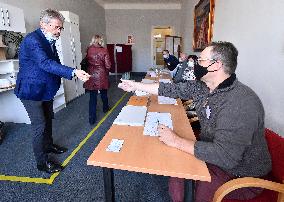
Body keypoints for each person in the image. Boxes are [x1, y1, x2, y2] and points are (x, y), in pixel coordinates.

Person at [118, 41, 272, 202]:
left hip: (240, 175)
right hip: (214, 155)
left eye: (201, 60)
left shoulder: (240, 102)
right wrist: (135, 85)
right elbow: (170, 89)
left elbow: (226, 157)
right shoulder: (204, 86)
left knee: (187, 192)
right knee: (177, 177)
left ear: (216, 65)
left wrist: (176, 141)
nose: (195, 65)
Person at [14, 9, 90, 174]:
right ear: (43, 24)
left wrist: (70, 72)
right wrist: (73, 72)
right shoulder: (32, 40)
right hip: (31, 91)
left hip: (45, 89)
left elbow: (54, 63)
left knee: (48, 119)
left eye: (60, 28)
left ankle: (48, 145)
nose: (59, 32)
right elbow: (45, 63)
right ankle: (42, 163)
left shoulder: (50, 40)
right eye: (57, 27)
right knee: (39, 125)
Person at [83, 35, 111, 125]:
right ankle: (105, 108)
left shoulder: (88, 49)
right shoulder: (104, 50)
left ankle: (92, 119)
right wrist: (105, 72)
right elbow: (108, 65)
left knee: (92, 97)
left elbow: (86, 61)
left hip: (91, 74)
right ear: (101, 41)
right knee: (104, 93)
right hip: (101, 74)